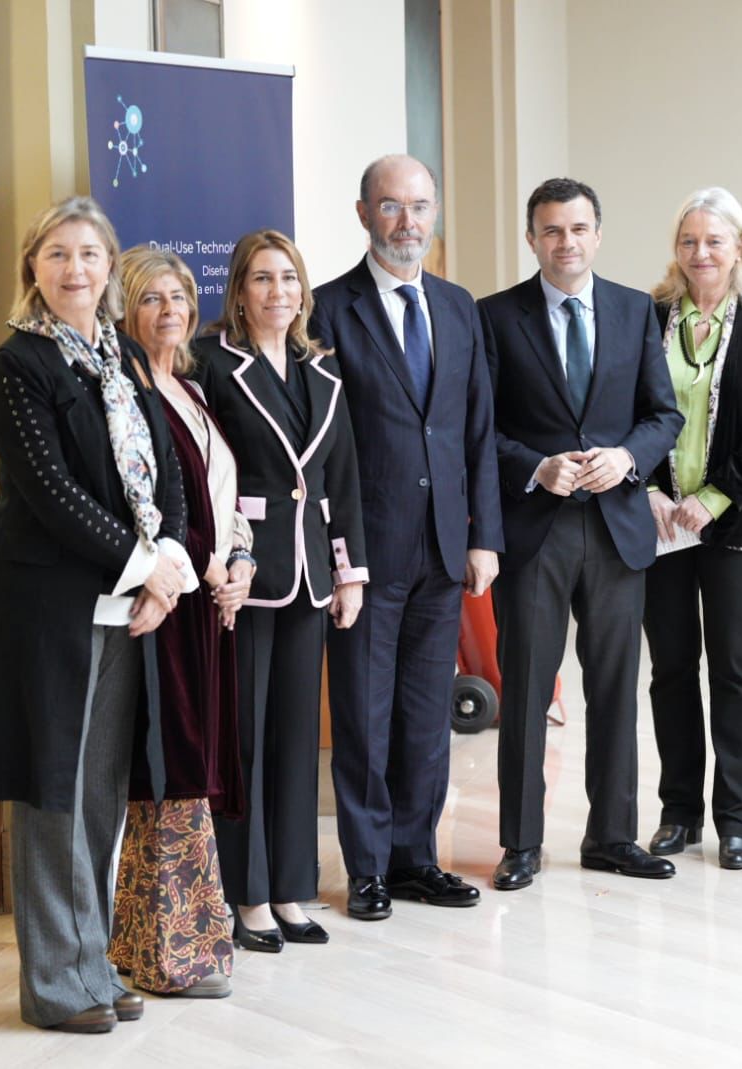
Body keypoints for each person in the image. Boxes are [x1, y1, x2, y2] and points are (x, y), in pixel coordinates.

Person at [0, 196, 193, 1033]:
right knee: (52, 793)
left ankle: (90, 962)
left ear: (110, 268)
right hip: (50, 609)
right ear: (33, 266)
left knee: (98, 793)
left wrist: (167, 569)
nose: (76, 269)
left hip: (125, 605)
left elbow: (165, 467)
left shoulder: (121, 356)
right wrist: (146, 565)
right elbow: (51, 494)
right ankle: (55, 984)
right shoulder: (17, 366)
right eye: (59, 254)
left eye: (90, 254)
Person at [309, 155, 502, 921]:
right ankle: (367, 868)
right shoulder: (328, 310)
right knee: (364, 713)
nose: (408, 221)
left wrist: (484, 535)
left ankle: (415, 857)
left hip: (444, 548)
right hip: (367, 549)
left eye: (420, 205)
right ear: (364, 214)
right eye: (391, 206)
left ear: (435, 211)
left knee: (426, 714)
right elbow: (321, 445)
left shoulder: (458, 307)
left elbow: (477, 430)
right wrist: (338, 553)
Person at [477, 177, 684, 890]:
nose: (566, 242)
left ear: (598, 234)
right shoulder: (495, 317)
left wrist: (627, 457)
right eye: (552, 230)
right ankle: (521, 843)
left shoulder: (634, 309)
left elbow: (663, 414)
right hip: (535, 531)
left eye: (577, 228)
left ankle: (612, 836)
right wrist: (536, 467)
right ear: (531, 239)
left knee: (617, 690)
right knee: (527, 692)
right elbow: (481, 430)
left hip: (617, 528)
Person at [193, 229, 368, 947]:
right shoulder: (212, 363)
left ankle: (293, 887)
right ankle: (247, 894)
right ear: (239, 291)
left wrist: (349, 571)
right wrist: (221, 555)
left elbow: (340, 478)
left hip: (309, 576)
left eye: (289, 278)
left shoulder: (322, 369)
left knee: (298, 740)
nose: (278, 291)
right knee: (246, 741)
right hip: (244, 575)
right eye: (263, 278)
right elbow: (202, 472)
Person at [106, 248, 252, 997]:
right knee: (165, 771)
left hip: (204, 608)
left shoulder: (190, 389)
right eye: (150, 298)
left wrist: (241, 559)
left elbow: (223, 498)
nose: (169, 311)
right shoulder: (124, 393)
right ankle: (173, 955)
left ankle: (149, 947)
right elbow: (146, 508)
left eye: (179, 297)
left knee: (185, 772)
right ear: (123, 310)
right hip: (160, 607)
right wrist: (204, 567)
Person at [641, 188, 742, 871]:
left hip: (737, 524)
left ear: (739, 249)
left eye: (714, 240)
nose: (701, 252)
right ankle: (679, 812)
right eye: (689, 240)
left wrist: (715, 496)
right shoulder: (649, 318)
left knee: (735, 669)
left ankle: (736, 818)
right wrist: (646, 487)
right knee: (671, 669)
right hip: (659, 522)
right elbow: (625, 408)